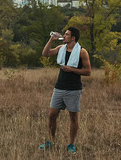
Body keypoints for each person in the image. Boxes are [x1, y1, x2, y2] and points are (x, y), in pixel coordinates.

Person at [39, 26, 91, 154]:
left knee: (73, 117)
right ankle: (51, 142)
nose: (64, 36)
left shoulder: (81, 52)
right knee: (52, 115)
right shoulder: (61, 48)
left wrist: (71, 69)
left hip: (73, 90)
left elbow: (88, 72)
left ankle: (71, 144)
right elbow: (45, 54)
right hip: (59, 88)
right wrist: (51, 39)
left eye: (67, 34)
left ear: (73, 38)